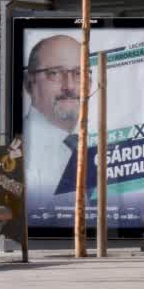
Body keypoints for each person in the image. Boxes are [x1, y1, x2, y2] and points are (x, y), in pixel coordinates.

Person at [22, 34, 86, 219]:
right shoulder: (20, 146)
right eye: (55, 73)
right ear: (29, 82)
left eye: (78, 73)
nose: (69, 86)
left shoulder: (101, 143)